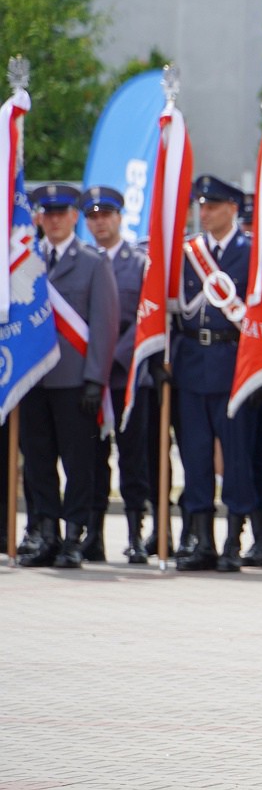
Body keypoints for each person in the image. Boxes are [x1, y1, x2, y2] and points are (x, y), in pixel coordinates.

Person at [18, 184, 119, 568]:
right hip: (33, 379)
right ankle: (45, 531)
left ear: (74, 217)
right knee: (38, 460)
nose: (55, 219)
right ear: (39, 217)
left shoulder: (93, 263)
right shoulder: (24, 263)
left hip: (75, 382)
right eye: (49, 213)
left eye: (63, 212)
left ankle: (75, 534)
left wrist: (96, 378)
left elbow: (105, 325)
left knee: (79, 463)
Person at [172, 175, 258, 572]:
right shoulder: (189, 251)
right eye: (200, 206)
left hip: (233, 364)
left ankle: (232, 540)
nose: (203, 213)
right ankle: (200, 538)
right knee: (194, 455)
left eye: (211, 206)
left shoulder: (251, 252)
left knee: (238, 456)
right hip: (191, 363)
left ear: (232, 209)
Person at [80, 185, 152, 564]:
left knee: (133, 458)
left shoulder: (138, 263)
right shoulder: (84, 260)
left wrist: (111, 359)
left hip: (126, 378)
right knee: (92, 457)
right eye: (92, 216)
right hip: (90, 379)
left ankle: (135, 532)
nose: (99, 222)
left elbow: (144, 319)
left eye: (105, 215)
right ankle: (93, 533)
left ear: (120, 217)